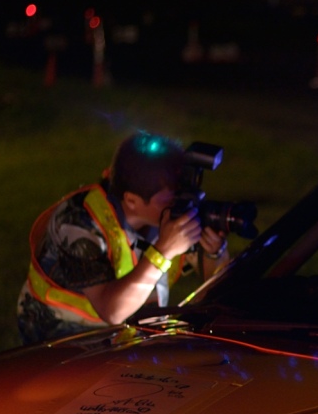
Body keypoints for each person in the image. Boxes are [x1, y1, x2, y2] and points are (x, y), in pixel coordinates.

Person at [17, 131, 230, 344]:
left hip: (129, 333)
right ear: (131, 201)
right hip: (61, 333)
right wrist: (163, 252)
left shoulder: (166, 213)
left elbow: (216, 287)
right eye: (170, 199)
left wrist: (214, 252)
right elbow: (113, 312)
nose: (181, 205)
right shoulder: (78, 223)